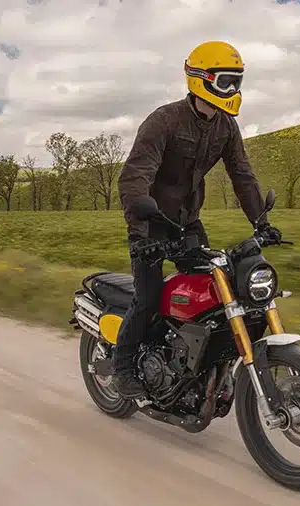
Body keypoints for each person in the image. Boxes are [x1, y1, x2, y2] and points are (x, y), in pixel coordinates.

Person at [112, 40, 282, 399]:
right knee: (148, 299)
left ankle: (197, 369)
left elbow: (243, 175)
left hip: (187, 225)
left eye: (237, 82)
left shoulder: (225, 127)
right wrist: (141, 223)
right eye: (225, 82)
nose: (233, 90)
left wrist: (261, 222)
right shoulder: (164, 121)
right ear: (201, 79)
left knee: (215, 295)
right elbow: (135, 175)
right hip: (151, 224)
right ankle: (123, 368)